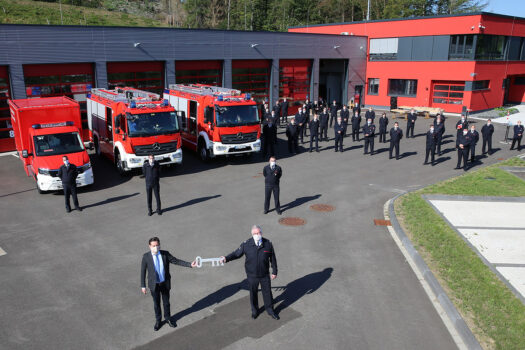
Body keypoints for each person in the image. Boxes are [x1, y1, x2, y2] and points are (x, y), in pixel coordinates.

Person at [219, 225, 279, 320]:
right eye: (255, 233)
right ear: (252, 234)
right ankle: (255, 311)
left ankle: (270, 310)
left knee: (267, 292)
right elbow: (236, 254)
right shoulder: (246, 245)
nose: (257, 235)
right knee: (253, 293)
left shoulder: (268, 243)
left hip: (264, 274)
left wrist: (274, 271)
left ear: (261, 233)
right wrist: (226, 258)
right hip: (252, 275)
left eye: (259, 233)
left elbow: (273, 259)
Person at [141, 237, 197, 331]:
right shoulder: (146, 256)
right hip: (154, 285)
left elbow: (176, 261)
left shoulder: (165, 254)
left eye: (157, 245)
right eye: (154, 246)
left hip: (164, 283)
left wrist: (190, 264)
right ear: (149, 246)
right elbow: (143, 271)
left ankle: (168, 318)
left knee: (166, 303)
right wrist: (143, 285)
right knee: (156, 304)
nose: (156, 247)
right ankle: (158, 321)